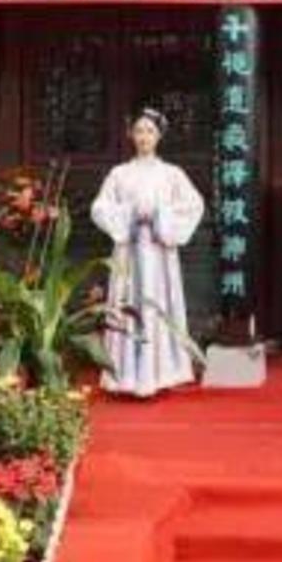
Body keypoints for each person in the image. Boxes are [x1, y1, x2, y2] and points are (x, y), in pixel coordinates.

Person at [90, 108, 206, 398]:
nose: (144, 137)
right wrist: (129, 214)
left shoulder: (172, 174)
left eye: (150, 131)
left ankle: (160, 373)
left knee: (157, 302)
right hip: (129, 251)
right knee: (128, 302)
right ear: (131, 135)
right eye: (139, 131)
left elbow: (193, 205)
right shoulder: (119, 174)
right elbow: (100, 208)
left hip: (158, 252)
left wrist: (160, 216)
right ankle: (125, 376)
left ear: (159, 136)